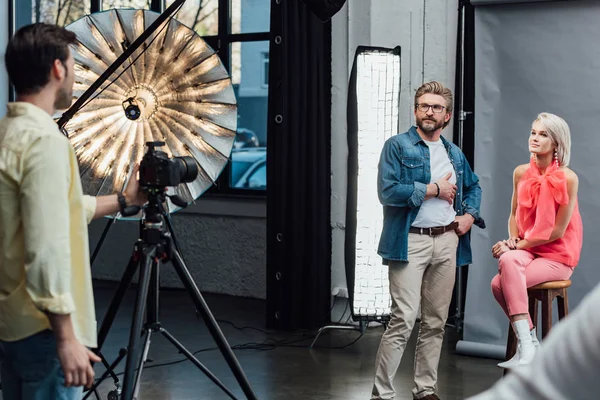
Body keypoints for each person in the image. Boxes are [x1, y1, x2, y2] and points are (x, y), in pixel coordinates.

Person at [0, 23, 146, 399]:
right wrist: (66, 337)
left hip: (11, 326)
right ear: (57, 69)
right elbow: (46, 246)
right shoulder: (44, 142)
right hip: (44, 333)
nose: (75, 77)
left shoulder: (7, 135)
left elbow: (55, 211)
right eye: (73, 66)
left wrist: (126, 201)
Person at [371, 81, 485, 400]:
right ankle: (382, 394)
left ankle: (425, 390)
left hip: (447, 241)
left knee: (436, 321)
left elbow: (474, 187)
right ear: (416, 111)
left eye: (436, 107)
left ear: (447, 116)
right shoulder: (398, 145)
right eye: (423, 106)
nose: (429, 112)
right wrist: (433, 189)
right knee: (403, 318)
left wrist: (469, 216)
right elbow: (387, 192)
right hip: (409, 242)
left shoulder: (453, 153)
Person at [490, 112, 583, 369]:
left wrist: (516, 246)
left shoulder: (568, 178)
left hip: (557, 254)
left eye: (543, 134)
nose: (535, 138)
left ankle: (528, 344)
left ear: (556, 143)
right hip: (529, 248)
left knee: (499, 284)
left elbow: (557, 231)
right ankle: (529, 341)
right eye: (533, 132)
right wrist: (512, 241)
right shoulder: (521, 172)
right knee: (508, 261)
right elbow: (513, 215)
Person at [467, 280, 600, 400]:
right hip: (535, 258)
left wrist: (513, 250)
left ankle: (527, 342)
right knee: (501, 279)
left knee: (506, 275)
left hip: (557, 259)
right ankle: (530, 341)